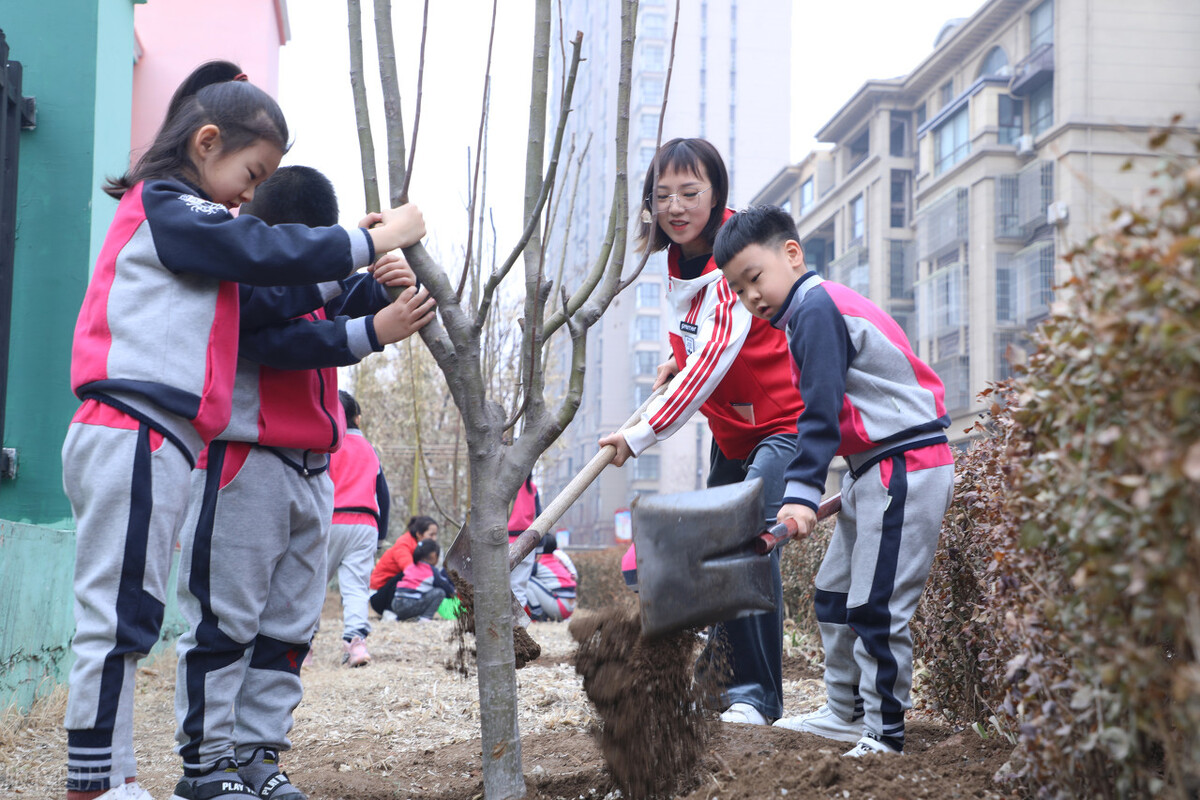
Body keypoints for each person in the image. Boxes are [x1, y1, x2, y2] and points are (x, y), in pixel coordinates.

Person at [60, 60, 425, 800]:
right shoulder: (166, 205)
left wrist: (359, 285)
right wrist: (359, 243)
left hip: (162, 435)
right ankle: (98, 784)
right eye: (249, 174)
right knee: (121, 613)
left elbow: (270, 279)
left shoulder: (195, 227)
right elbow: (259, 259)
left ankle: (119, 776)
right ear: (205, 142)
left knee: (134, 611)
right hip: (135, 425)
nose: (249, 197)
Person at [172, 163, 434, 799]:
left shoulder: (310, 277)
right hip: (244, 460)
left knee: (288, 628)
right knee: (225, 622)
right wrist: (368, 317)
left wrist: (380, 287)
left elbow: (324, 310)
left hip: (312, 469)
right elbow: (273, 329)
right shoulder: (237, 267)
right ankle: (207, 766)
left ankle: (257, 752)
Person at [714, 204, 955, 757]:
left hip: (906, 466)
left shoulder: (816, 308)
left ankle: (884, 733)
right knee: (834, 593)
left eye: (755, 278)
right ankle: (845, 713)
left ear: (791, 254)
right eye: (739, 289)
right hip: (874, 468)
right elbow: (835, 416)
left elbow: (817, 416)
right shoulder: (808, 311)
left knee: (875, 606)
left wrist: (797, 496)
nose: (752, 297)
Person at [597, 138, 805, 728]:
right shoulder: (675, 262)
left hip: (782, 423)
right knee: (715, 551)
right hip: (732, 430)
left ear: (717, 195)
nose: (676, 207)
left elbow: (716, 350)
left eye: (691, 193)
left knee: (747, 544)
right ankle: (718, 685)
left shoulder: (734, 253)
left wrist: (640, 434)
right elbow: (693, 339)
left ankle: (757, 695)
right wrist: (673, 361)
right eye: (663, 196)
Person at [326, 390, 391, 668]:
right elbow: (383, 495)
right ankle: (356, 645)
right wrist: (381, 534)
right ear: (358, 418)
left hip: (328, 521)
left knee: (311, 586)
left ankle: (302, 649)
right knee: (355, 588)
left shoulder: (325, 445)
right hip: (365, 524)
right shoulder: (370, 450)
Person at [369, 515, 439, 616]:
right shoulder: (403, 545)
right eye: (431, 535)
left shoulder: (422, 548)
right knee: (408, 575)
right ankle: (389, 611)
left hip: (397, 594)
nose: (434, 539)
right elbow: (410, 571)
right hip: (379, 597)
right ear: (419, 534)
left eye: (436, 535)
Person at [390, 540, 457, 622]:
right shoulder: (431, 570)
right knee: (439, 592)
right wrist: (453, 593)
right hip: (408, 605)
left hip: (395, 604)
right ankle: (425, 618)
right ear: (434, 555)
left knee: (419, 592)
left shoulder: (411, 567)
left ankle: (401, 618)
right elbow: (445, 585)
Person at [507, 473, 542, 617]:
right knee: (519, 587)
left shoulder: (504, 485)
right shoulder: (532, 488)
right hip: (527, 541)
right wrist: (540, 547)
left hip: (502, 540)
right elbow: (540, 517)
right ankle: (517, 628)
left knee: (498, 584)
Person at [526, 534, 578, 622]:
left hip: (560, 606)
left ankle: (537, 613)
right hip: (569, 607)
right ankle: (544, 614)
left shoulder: (538, 564)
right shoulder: (555, 561)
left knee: (525, 580)